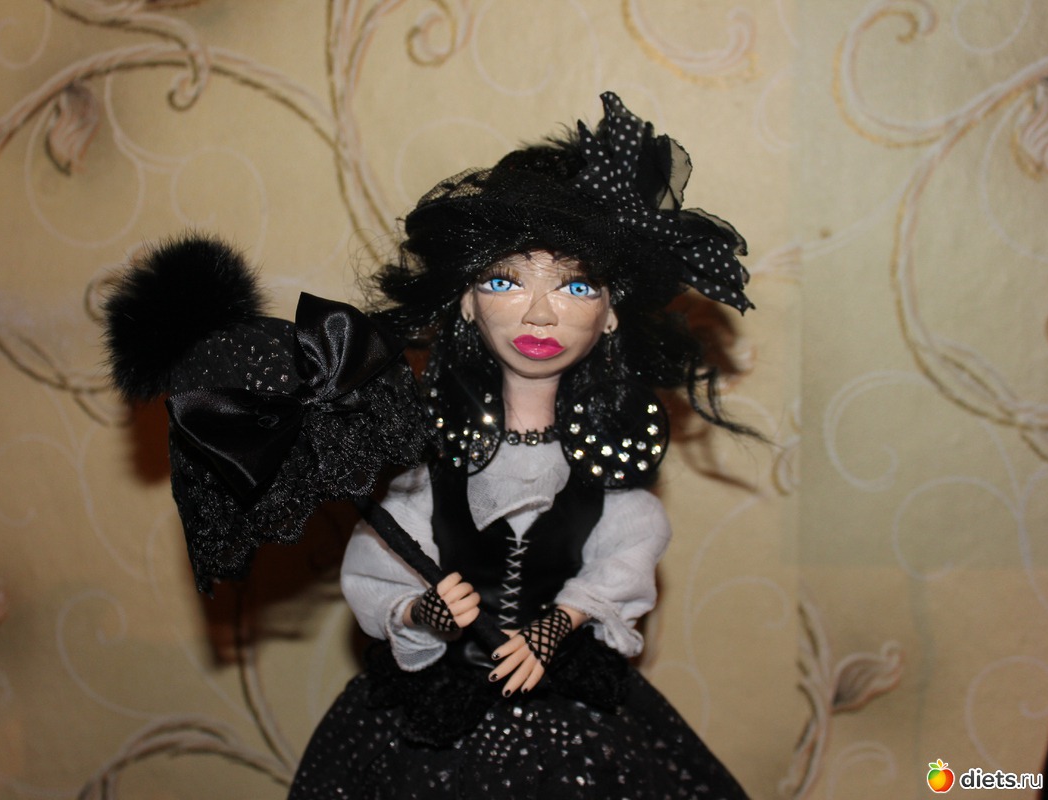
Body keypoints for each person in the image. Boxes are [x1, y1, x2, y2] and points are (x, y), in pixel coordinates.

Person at [288, 92, 753, 799]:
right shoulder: (431, 462)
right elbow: (380, 570)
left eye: (577, 284)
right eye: (505, 280)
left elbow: (623, 563)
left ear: (612, 313)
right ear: (467, 300)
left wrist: (556, 625)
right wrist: (422, 612)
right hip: (434, 714)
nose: (539, 312)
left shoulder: (606, 471)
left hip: (571, 724)